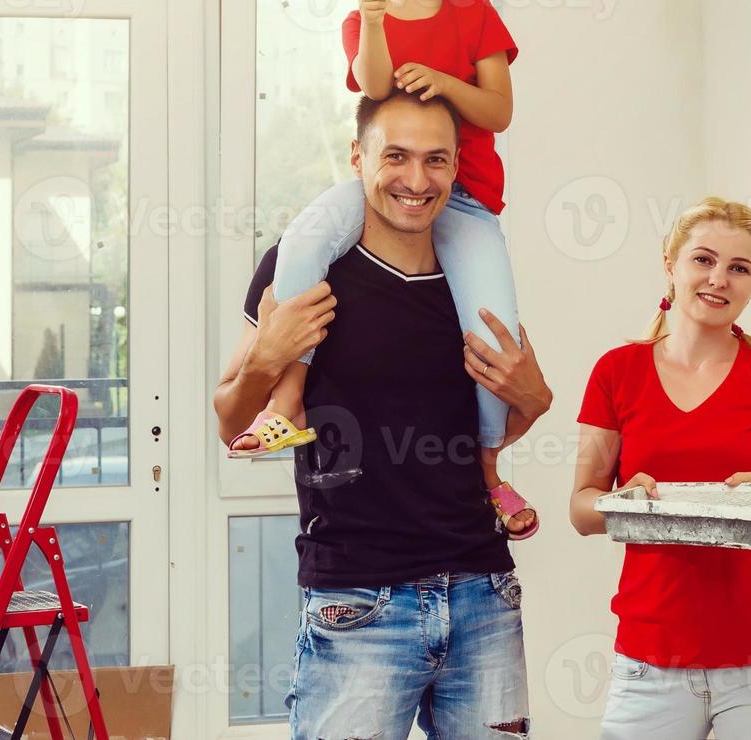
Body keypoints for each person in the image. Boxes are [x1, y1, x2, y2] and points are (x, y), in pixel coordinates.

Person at [214, 89, 553, 739]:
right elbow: (232, 425)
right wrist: (267, 360)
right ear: (357, 156)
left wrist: (535, 401)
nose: (416, 180)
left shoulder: (472, 278)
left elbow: (497, 422)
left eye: (436, 161)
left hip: (483, 592)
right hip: (357, 600)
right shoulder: (305, 266)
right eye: (395, 157)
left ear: (457, 168)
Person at [228, 0, 540, 542]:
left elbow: (500, 110)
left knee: (492, 332)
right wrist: (374, 23)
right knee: (304, 244)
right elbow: (371, 83)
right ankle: (288, 400)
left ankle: (489, 469)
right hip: (381, 184)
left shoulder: (476, 17)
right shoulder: (361, 16)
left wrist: (447, 83)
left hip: (466, 199)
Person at [570, 197, 751, 739]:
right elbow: (582, 509)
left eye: (739, 268)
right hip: (648, 661)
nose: (719, 279)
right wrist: (624, 499)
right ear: (671, 265)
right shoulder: (617, 371)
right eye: (703, 260)